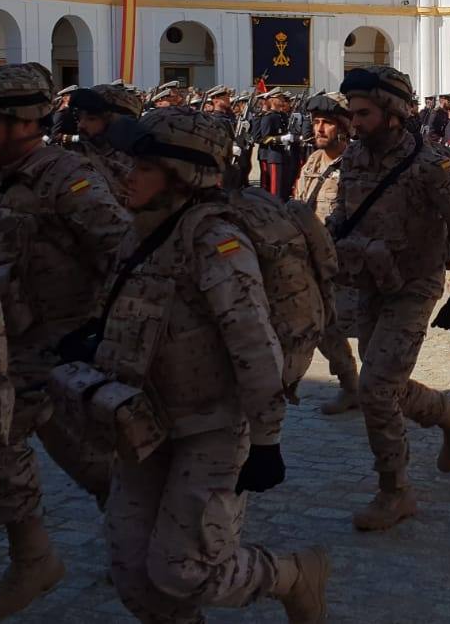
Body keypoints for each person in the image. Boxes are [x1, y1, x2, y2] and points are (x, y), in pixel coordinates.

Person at [87, 108, 328, 623]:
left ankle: (290, 574)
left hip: (211, 427)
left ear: (181, 175)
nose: (128, 174)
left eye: (144, 166)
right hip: (145, 422)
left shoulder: (216, 242)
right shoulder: (143, 229)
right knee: (131, 570)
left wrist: (266, 440)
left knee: (184, 569)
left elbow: (254, 344)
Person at [0, 63, 131, 619]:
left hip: (58, 343)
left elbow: (121, 253)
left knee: (0, 439)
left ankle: (42, 555)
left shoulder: (67, 178)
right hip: (10, 338)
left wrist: (101, 336)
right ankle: (106, 531)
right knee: (58, 445)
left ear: (23, 122)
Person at [330, 65, 450, 532]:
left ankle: (395, 492)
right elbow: (343, 211)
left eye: (364, 113)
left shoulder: (428, 164)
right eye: (351, 114)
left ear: (394, 113)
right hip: (368, 282)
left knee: (375, 389)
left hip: (414, 286)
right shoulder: (355, 158)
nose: (354, 123)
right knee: (386, 381)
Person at [294, 93, 361, 415]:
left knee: (360, 326)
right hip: (314, 262)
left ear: (345, 127)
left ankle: (387, 389)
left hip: (350, 262)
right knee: (323, 326)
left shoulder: (358, 165)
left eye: (327, 123)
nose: (319, 129)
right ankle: (351, 386)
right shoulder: (312, 161)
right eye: (316, 122)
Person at [65, 83, 144, 201]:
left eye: (91, 118)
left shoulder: (141, 164)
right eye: (79, 118)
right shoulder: (73, 158)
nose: (81, 125)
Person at [253, 89, 298, 200]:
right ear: (273, 100)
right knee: (275, 190)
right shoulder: (269, 117)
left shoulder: (282, 115)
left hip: (284, 154)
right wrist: (280, 138)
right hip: (274, 155)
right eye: (280, 98)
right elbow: (264, 138)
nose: (283, 100)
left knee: (284, 187)